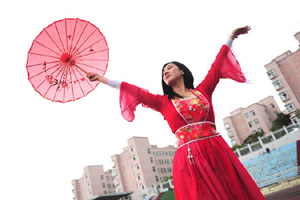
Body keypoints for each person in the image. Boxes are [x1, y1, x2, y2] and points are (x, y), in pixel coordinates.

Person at [87, 26, 265, 200]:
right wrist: (100, 78)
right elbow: (131, 89)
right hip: (189, 158)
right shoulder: (162, 102)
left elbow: (217, 64)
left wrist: (231, 36)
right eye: (163, 72)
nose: (165, 72)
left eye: (169, 68)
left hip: (216, 150)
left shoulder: (203, 91)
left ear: (182, 71)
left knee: (232, 191)